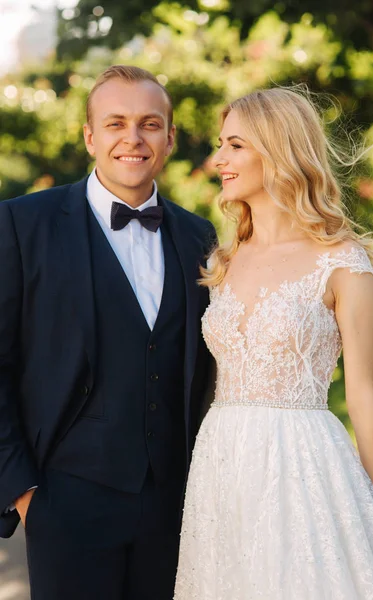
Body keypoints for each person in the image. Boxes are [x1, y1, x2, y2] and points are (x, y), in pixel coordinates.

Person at [174, 87, 373, 599]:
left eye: (234, 145)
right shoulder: (224, 259)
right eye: (220, 144)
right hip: (222, 464)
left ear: (277, 150)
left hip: (303, 463)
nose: (218, 160)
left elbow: (363, 393)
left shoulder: (342, 261)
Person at [0, 64, 216, 600]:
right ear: (90, 136)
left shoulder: (198, 235)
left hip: (173, 505)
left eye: (149, 123)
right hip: (63, 500)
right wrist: (23, 491)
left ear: (168, 137)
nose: (133, 138)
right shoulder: (21, 224)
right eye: (116, 123)